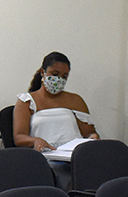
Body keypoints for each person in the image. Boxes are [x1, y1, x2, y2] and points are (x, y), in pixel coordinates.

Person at [12, 52, 100, 188]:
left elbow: (88, 132)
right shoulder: (27, 101)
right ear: (43, 72)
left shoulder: (75, 100)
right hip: (47, 158)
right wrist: (35, 140)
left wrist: (92, 137)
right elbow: (19, 137)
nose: (59, 79)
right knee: (62, 176)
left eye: (64, 76)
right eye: (54, 74)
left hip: (75, 157)